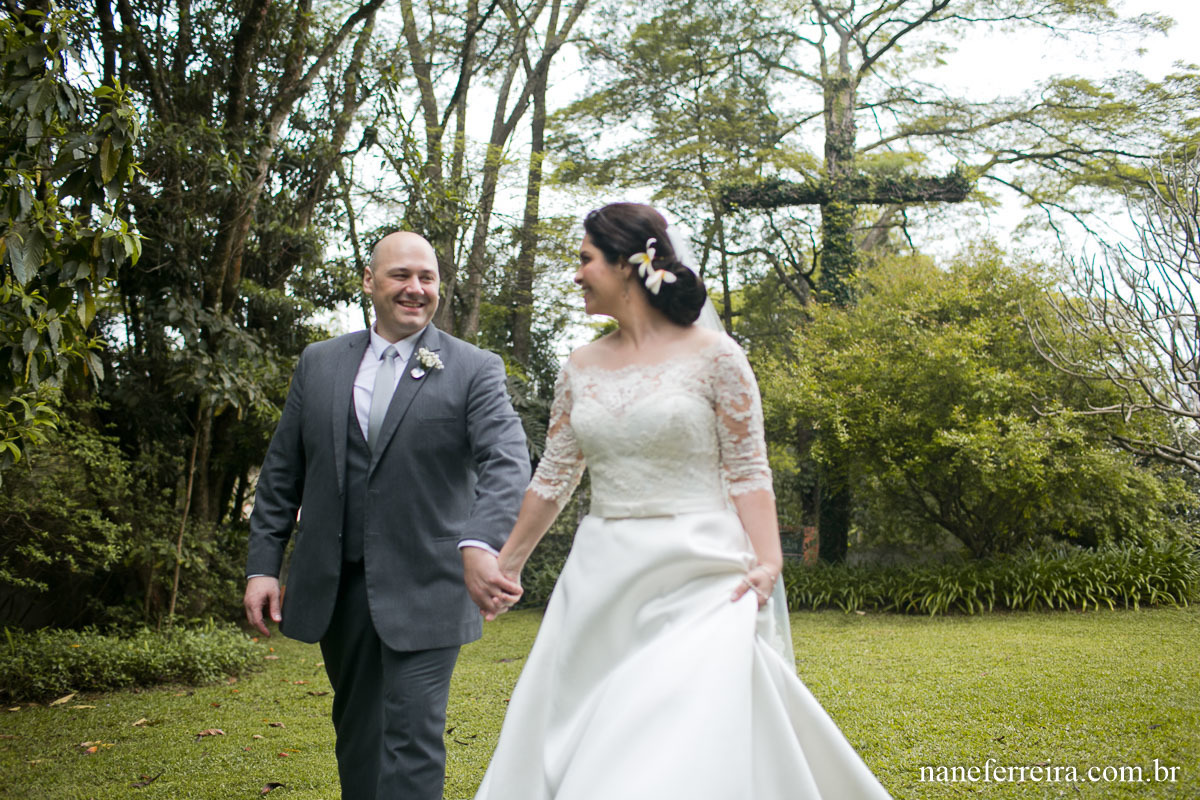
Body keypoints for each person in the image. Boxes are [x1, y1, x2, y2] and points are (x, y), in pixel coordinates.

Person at [471, 203, 893, 799]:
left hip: (702, 573)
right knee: (593, 736)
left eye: (585, 259)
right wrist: (508, 562)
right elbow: (554, 477)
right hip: (602, 580)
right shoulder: (580, 367)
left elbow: (748, 469)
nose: (576, 274)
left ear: (626, 265)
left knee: (671, 735)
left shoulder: (717, 357)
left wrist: (769, 560)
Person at [242, 231, 530, 800]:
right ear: (370, 282)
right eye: (400, 275)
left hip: (430, 582)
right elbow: (282, 472)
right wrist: (263, 566)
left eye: (427, 278)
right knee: (356, 736)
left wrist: (480, 541)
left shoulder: (474, 368)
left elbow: (508, 462)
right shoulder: (319, 363)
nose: (415, 289)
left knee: (414, 736)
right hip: (337, 584)